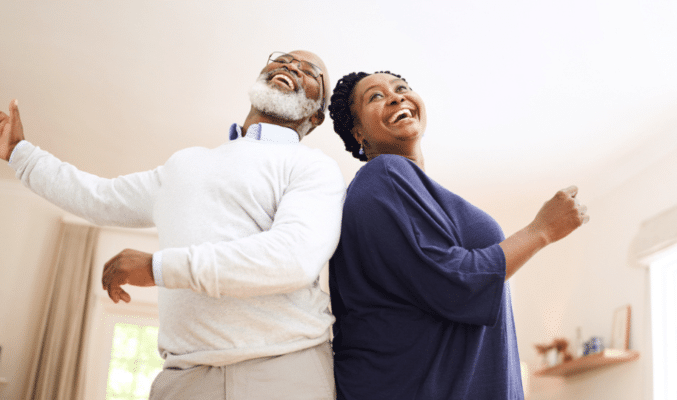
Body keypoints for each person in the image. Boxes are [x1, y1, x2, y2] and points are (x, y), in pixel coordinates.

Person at [0, 50, 344, 399]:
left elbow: (291, 258)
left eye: (311, 72)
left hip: (284, 371)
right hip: (183, 379)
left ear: (315, 117)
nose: (292, 67)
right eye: (283, 59)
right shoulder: (185, 164)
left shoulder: (314, 167)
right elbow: (99, 197)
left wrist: (158, 267)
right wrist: (19, 153)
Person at [327, 71, 589, 399]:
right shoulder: (384, 174)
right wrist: (542, 230)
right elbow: (453, 282)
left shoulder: (409, 188)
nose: (395, 97)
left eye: (401, 88)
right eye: (375, 97)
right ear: (358, 132)